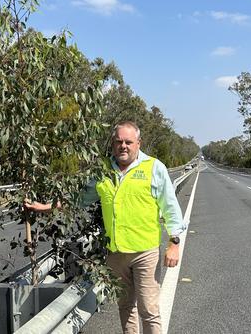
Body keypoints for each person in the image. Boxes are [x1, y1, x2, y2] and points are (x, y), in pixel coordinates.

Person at [24, 120, 186, 334]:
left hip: (145, 252)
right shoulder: (103, 171)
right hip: (115, 254)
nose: (123, 146)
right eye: (119, 141)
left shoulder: (154, 168)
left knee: (149, 309)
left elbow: (170, 207)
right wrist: (45, 207)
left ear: (139, 143)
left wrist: (174, 242)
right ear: (112, 143)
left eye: (128, 141)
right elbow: (79, 199)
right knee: (126, 307)